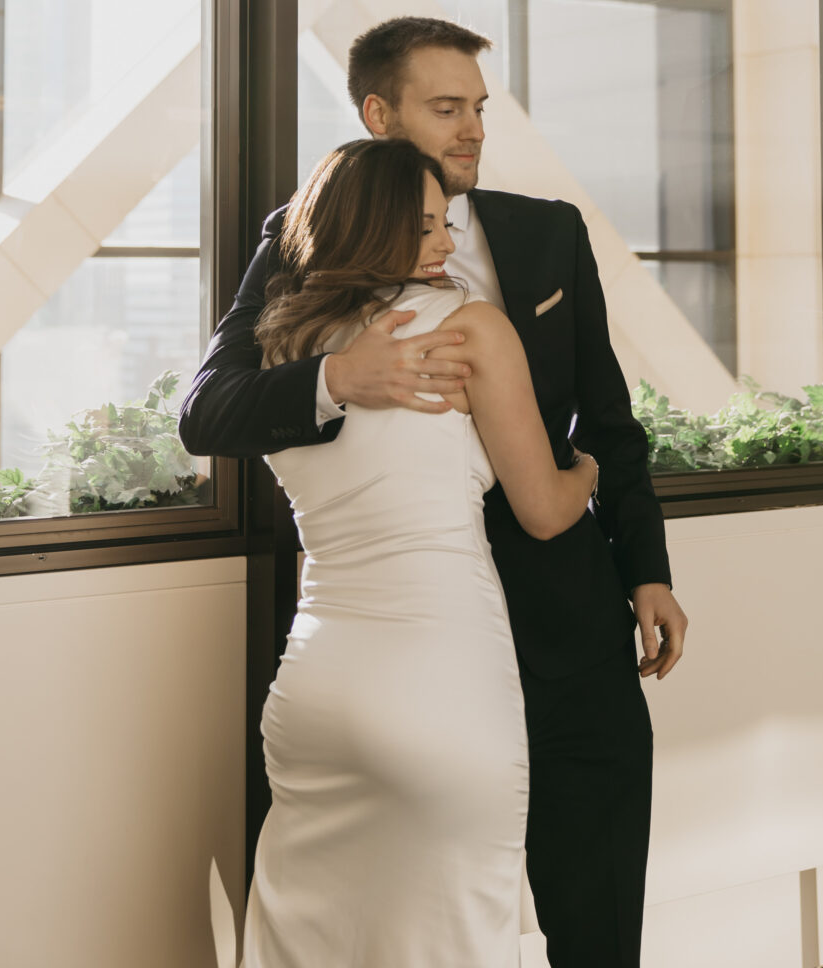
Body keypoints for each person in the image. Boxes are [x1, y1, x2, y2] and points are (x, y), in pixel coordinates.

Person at [180, 15, 689, 968]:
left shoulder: (547, 231)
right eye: (446, 108)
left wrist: (646, 569)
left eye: (480, 109)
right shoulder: (298, 244)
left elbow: (608, 421)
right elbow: (208, 411)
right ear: (379, 116)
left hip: (562, 611)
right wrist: (341, 379)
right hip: (411, 641)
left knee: (595, 887)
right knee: (414, 910)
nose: (473, 131)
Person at [235, 136, 599, 966]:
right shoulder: (469, 327)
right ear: (373, 230)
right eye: (428, 226)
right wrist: (588, 468)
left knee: (310, 944)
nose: (446, 242)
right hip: (440, 686)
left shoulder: (285, 343)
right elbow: (542, 510)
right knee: (450, 940)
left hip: (314, 694)